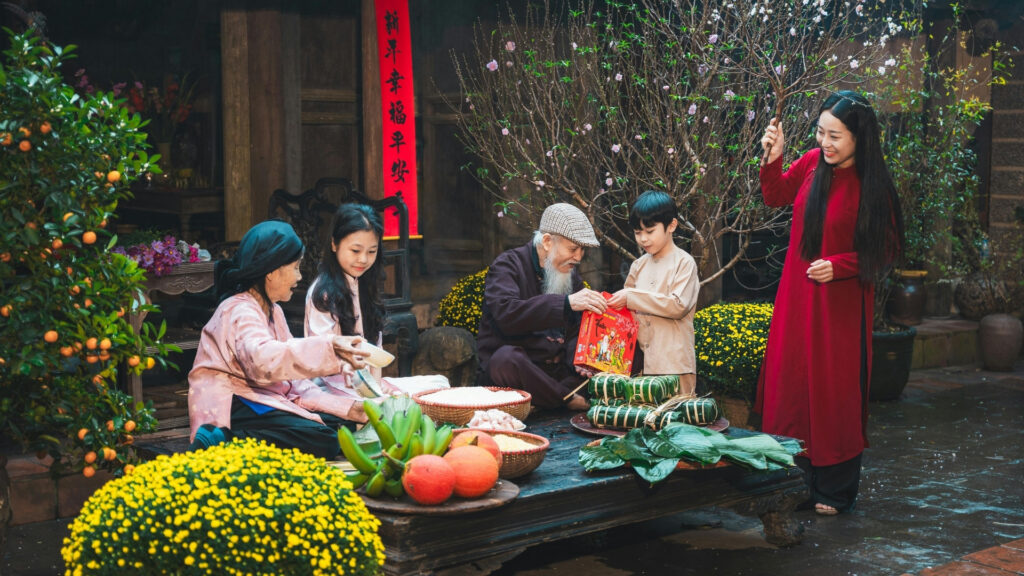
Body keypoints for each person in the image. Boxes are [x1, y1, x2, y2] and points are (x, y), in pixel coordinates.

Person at [755, 90, 904, 515]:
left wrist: (840, 266)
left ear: (860, 137)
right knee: (792, 385)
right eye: (821, 132)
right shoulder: (810, 165)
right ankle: (795, 482)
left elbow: (887, 249)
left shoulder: (873, 186)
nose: (825, 143)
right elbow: (775, 195)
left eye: (835, 136)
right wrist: (773, 159)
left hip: (840, 306)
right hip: (796, 296)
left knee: (834, 390)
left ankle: (836, 489)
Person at [188, 220, 372, 459]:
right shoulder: (239, 309)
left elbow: (294, 381)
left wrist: (349, 409)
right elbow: (263, 361)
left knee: (341, 424)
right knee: (324, 439)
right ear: (272, 271)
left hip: (264, 396)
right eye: (295, 267)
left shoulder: (274, 310)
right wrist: (331, 347)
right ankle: (224, 440)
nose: (299, 277)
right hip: (236, 401)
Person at [304, 203, 448, 401]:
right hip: (334, 386)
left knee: (439, 384)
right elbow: (322, 353)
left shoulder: (365, 284)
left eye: (371, 251)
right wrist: (374, 391)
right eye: (355, 251)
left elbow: (374, 351)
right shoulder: (322, 293)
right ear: (334, 244)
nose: (363, 259)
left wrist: (378, 386)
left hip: (367, 384)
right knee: (388, 402)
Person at [476, 203, 608, 411]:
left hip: (552, 376)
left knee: (602, 365)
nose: (579, 257)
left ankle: (556, 397)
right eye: (573, 249)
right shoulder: (507, 265)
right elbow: (507, 314)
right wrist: (566, 304)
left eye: (582, 250)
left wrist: (581, 361)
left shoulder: (569, 273)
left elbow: (577, 330)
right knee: (506, 360)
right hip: (523, 371)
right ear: (547, 242)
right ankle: (566, 400)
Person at [607, 190, 700, 394]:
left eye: (650, 231)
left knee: (677, 414)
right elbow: (627, 313)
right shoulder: (638, 265)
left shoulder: (684, 263)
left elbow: (678, 306)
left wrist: (631, 298)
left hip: (675, 365)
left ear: (671, 225)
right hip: (641, 365)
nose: (643, 239)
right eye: (637, 232)